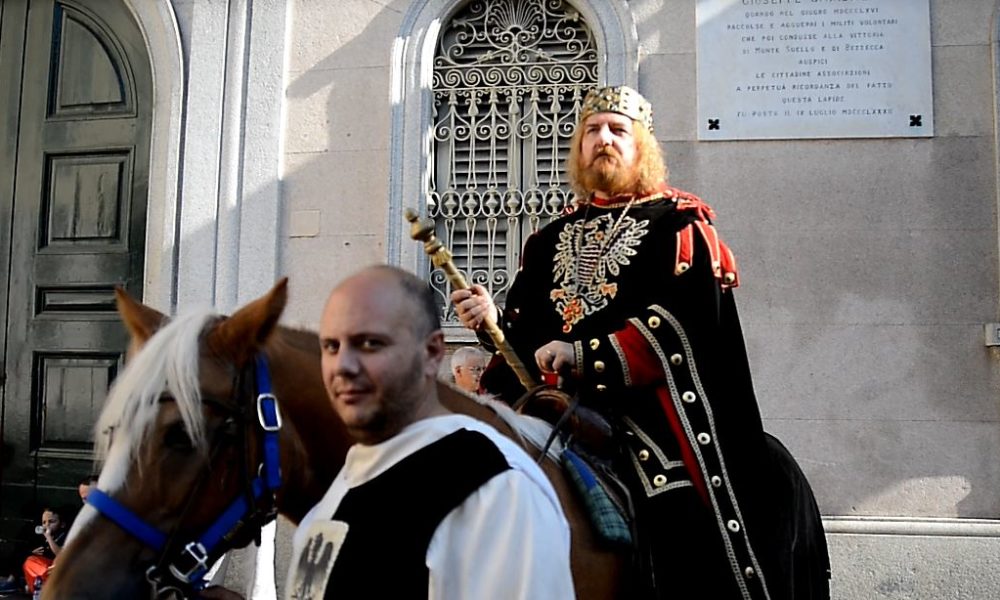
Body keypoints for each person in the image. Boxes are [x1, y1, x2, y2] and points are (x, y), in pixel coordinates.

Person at [451, 85, 830, 599]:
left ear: (642, 146)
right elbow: (525, 341)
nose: (602, 139)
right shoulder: (547, 240)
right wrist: (491, 321)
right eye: (591, 130)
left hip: (647, 415)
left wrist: (587, 354)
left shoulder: (678, 223)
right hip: (555, 408)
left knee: (676, 507)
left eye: (617, 130)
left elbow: (686, 320)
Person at [202, 266, 574, 600]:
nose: (343, 366)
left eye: (370, 344)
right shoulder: (336, 495)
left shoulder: (493, 488)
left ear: (431, 353)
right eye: (331, 346)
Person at [22, 507, 68, 594]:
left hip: (60, 570)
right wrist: (33, 552)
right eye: (44, 522)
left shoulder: (65, 536)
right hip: (46, 571)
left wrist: (49, 537)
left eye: (51, 522)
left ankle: (41, 588)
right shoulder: (42, 536)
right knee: (30, 561)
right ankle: (41, 588)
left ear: (62, 524)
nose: (47, 525)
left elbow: (61, 555)